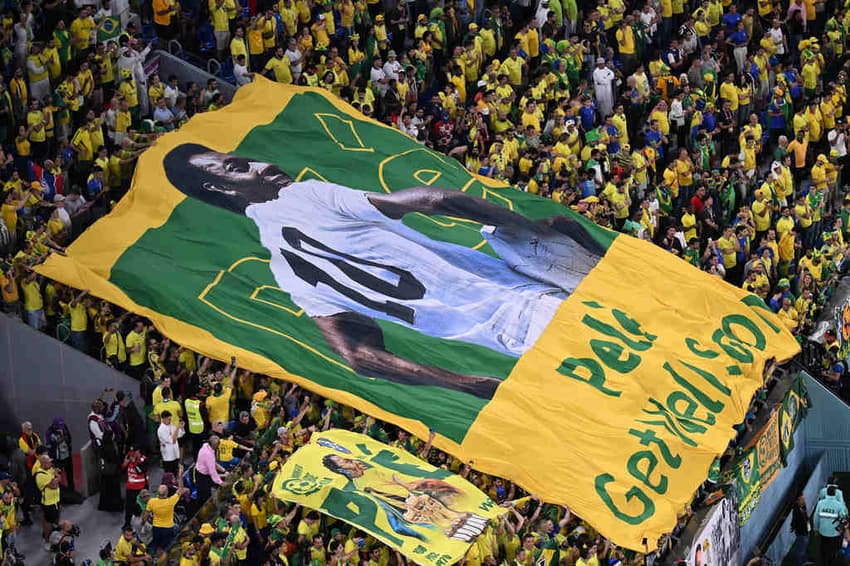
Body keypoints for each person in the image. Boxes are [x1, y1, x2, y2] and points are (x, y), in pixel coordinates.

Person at [162, 144, 605, 400]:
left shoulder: (286, 272)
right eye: (237, 167)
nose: (259, 164)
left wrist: (470, 384)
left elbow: (357, 356)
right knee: (565, 239)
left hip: (516, 342)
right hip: (528, 297)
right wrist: (527, 226)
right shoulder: (303, 197)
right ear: (220, 187)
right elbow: (432, 201)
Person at [146, 484, 190, 559]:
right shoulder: (171, 501)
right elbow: (180, 490)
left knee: (156, 545)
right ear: (167, 493)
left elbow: (146, 515)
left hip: (156, 528)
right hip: (167, 529)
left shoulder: (151, 502)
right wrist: (180, 475)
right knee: (165, 547)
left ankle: (155, 559)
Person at [812, 485, 847, 565]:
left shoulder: (820, 503)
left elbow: (816, 518)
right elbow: (843, 519)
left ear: (826, 493)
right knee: (833, 552)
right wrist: (840, 530)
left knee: (823, 551)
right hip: (834, 534)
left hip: (823, 532)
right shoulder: (839, 505)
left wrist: (816, 529)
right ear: (835, 493)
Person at [34, 454, 61, 542]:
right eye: (49, 462)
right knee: (48, 522)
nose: (51, 463)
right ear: (44, 463)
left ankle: (54, 536)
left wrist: (56, 477)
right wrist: (56, 477)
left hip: (56, 500)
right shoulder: (40, 475)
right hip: (48, 503)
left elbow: (57, 480)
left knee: (55, 520)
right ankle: (47, 539)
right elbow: (54, 485)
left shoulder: (50, 469)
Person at [195, 435, 226, 503]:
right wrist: (221, 483)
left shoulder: (206, 445)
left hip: (203, 472)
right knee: (204, 497)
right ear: (215, 446)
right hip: (202, 477)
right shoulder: (209, 455)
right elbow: (213, 472)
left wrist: (224, 470)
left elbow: (214, 464)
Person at [157, 410, 183, 474]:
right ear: (163, 419)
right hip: (168, 456)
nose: (170, 421)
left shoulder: (170, 425)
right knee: (169, 475)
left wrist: (181, 428)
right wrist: (177, 428)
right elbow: (173, 440)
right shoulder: (161, 430)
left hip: (174, 453)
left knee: (176, 473)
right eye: (169, 419)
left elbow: (179, 434)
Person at [790, 495, 810, 566]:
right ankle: (800, 563)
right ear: (798, 501)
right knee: (800, 550)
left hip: (805, 531)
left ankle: (804, 561)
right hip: (802, 533)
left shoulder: (803, 508)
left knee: (803, 548)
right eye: (802, 499)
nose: (804, 500)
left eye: (804, 499)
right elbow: (794, 521)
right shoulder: (796, 511)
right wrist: (793, 527)